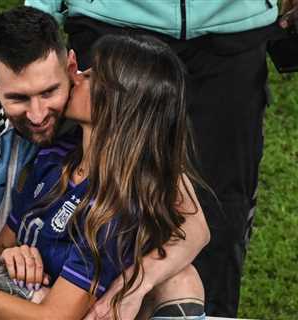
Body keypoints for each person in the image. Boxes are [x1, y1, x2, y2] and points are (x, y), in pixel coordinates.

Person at [0, 6, 209, 320]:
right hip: (11, 294)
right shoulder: (55, 156)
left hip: (49, 305)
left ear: (71, 68)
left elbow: (195, 226)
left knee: (182, 279)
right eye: (18, 97)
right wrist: (10, 257)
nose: (38, 113)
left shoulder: (118, 197)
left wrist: (133, 286)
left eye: (50, 91)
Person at [25, 0, 298, 317]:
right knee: (83, 213)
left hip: (233, 33)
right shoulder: (88, 81)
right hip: (111, 26)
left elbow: (198, 225)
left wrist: (135, 284)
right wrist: (36, 22)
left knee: (219, 223)